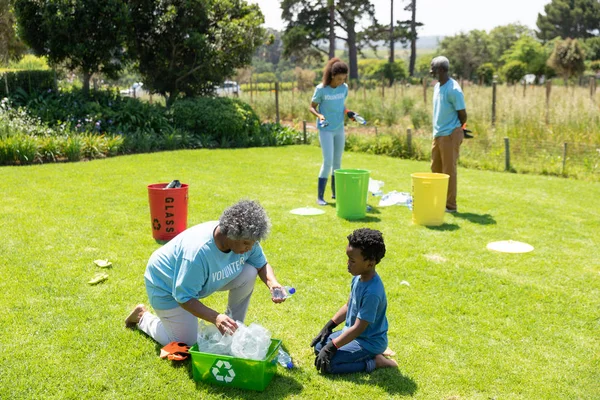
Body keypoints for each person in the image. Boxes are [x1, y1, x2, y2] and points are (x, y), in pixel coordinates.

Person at [125, 199, 286, 346]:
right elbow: (184, 297)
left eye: (253, 243)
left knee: (250, 272)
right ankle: (142, 317)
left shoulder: (246, 238)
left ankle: (233, 326)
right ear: (231, 234)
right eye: (246, 243)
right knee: (186, 344)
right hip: (165, 286)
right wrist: (216, 317)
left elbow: (260, 263)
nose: (250, 248)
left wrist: (273, 283)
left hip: (198, 281)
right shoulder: (197, 253)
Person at [311, 228, 398, 374]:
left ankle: (376, 361)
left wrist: (332, 346)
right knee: (319, 348)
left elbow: (358, 328)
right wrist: (329, 326)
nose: (347, 263)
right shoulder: (358, 278)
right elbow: (348, 305)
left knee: (329, 364)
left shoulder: (372, 293)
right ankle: (371, 354)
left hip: (367, 342)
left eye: (352, 260)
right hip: (353, 334)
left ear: (370, 263)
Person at [309, 57, 359, 206]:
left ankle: (335, 193)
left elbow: (340, 106)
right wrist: (319, 115)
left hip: (339, 128)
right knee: (328, 161)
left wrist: (349, 112)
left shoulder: (344, 88)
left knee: (337, 162)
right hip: (326, 129)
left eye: (343, 79)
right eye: (338, 79)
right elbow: (311, 107)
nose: (341, 82)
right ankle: (320, 197)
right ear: (331, 76)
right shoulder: (321, 89)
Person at [429, 55, 468, 213]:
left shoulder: (454, 89)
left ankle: (450, 206)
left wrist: (458, 129)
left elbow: (462, 113)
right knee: (436, 169)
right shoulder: (438, 86)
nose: (431, 72)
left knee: (448, 171)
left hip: (450, 135)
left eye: (433, 69)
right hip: (438, 134)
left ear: (442, 70)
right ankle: (438, 202)